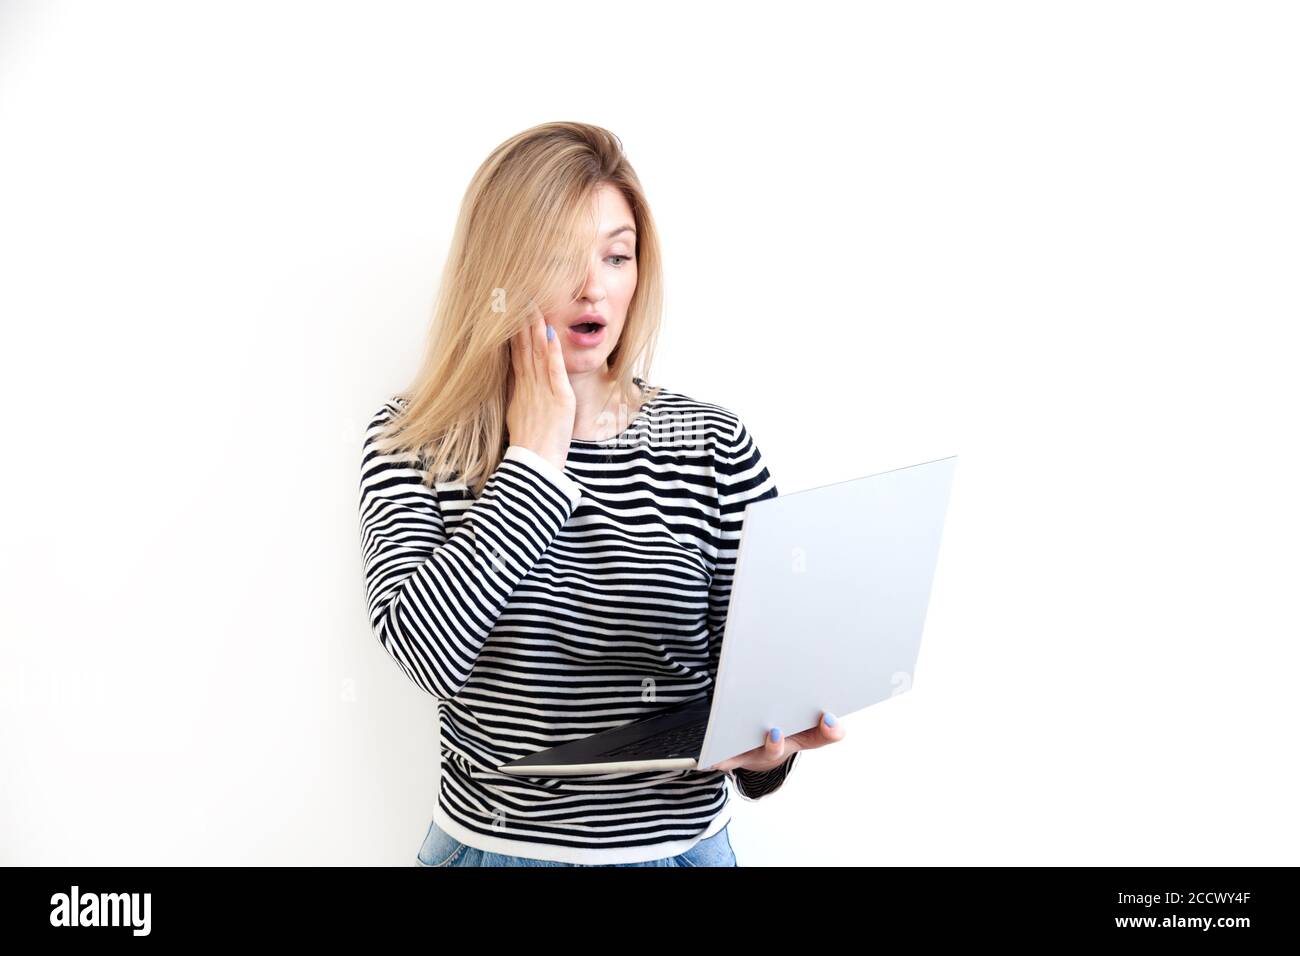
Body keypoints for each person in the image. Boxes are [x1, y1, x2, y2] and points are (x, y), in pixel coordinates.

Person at [358, 122, 846, 867]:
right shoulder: (415, 440)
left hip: (684, 851)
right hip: (494, 852)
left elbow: (758, 679)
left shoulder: (713, 444)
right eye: (559, 257)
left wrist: (769, 756)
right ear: (499, 269)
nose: (595, 287)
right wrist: (533, 461)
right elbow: (425, 656)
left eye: (617, 256)